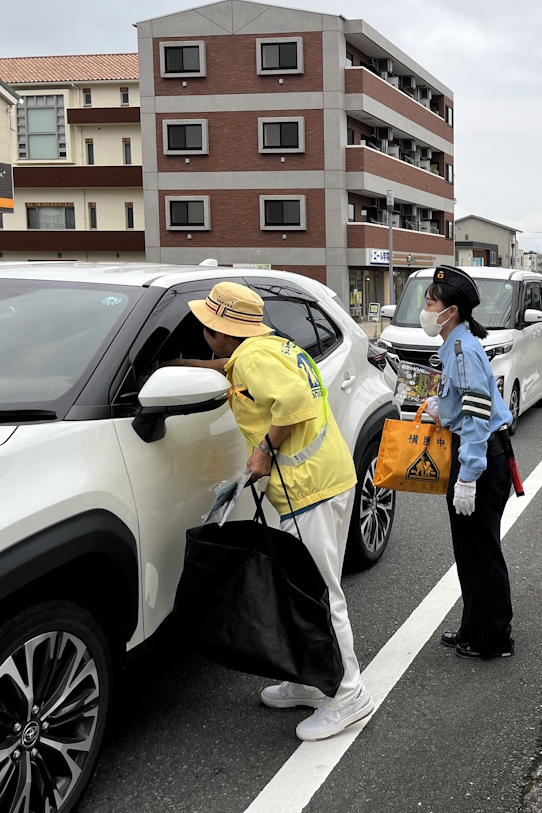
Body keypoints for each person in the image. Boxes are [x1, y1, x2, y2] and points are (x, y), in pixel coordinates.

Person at [184, 281, 373, 739]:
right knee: (301, 589)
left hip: (309, 488)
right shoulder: (277, 348)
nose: (203, 332)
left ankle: (350, 696)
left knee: (321, 594)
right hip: (324, 478)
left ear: (221, 331)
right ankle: (311, 681)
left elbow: (294, 404)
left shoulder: (251, 358)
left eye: (206, 327)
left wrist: (265, 451)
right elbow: (257, 383)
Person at [421, 266, 517, 659]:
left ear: (452, 311)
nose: (425, 310)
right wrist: (440, 408)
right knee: (470, 550)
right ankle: (474, 627)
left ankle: (494, 638)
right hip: (476, 451)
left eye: (430, 303)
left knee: (482, 551)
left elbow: (477, 412)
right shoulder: (456, 343)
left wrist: (468, 477)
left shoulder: (462, 348)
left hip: (479, 456)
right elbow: (464, 401)